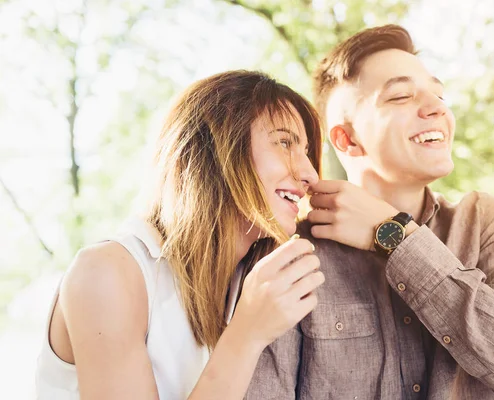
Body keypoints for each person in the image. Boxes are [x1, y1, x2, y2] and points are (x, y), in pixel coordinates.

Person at [245, 25, 494, 399]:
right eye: (401, 96)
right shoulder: (289, 253)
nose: (437, 108)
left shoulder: (484, 222)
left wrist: (394, 235)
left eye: (439, 95)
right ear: (347, 139)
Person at [35, 70, 326, 399]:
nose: (310, 174)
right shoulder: (107, 273)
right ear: (216, 153)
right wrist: (246, 336)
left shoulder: (249, 283)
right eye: (284, 142)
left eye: (305, 151)